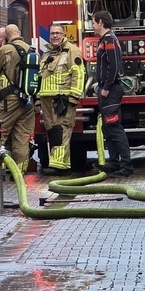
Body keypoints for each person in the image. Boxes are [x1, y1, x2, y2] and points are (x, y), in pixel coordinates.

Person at [0, 24, 35, 171]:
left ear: (7, 36)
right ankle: (19, 171)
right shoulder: (31, 50)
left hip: (8, 101)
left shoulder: (5, 50)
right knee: (21, 138)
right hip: (27, 101)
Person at [36, 24, 86, 175]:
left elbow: (79, 73)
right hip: (47, 99)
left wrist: (73, 97)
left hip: (62, 99)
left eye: (58, 33)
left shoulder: (72, 50)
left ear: (64, 35)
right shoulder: (47, 52)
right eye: (52, 33)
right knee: (52, 131)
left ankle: (59, 166)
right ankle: (59, 163)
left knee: (62, 130)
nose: (55, 36)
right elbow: (41, 77)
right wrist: (38, 99)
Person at [92, 10, 132, 177]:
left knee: (114, 127)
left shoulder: (109, 40)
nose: (93, 25)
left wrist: (107, 87)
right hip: (107, 89)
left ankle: (126, 166)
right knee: (108, 128)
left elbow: (114, 66)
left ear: (101, 22)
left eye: (94, 22)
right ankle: (114, 163)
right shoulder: (105, 40)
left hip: (111, 90)